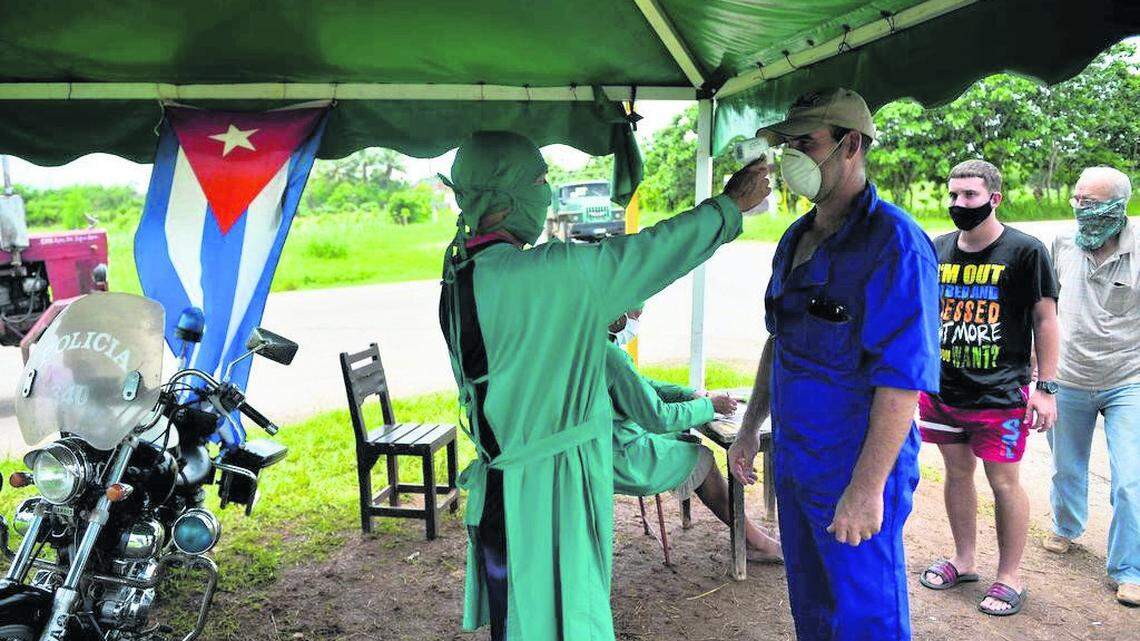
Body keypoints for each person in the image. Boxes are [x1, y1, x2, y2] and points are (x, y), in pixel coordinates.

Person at [438, 131, 769, 641]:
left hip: (503, 485)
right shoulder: (543, 275)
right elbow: (646, 254)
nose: (547, 194)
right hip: (547, 489)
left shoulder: (460, 274)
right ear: (504, 199)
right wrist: (727, 208)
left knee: (519, 617)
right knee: (563, 618)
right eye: (539, 181)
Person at [727, 87, 940, 641]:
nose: (792, 156)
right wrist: (750, 429)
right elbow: (779, 343)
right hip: (798, 461)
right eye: (788, 143)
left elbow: (901, 382)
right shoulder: (797, 237)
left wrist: (868, 489)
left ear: (850, 145)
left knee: (867, 617)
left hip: (856, 464)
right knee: (812, 607)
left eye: (806, 142)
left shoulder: (895, 244)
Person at [915, 160, 1059, 617]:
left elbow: (1045, 319)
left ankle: (1010, 576)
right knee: (957, 474)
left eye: (969, 196)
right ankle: (964, 560)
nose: (958, 204)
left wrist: (1046, 387)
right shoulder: (936, 249)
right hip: (942, 391)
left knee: (1004, 482)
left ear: (994, 199)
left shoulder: (1025, 251)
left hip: (1000, 394)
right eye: (953, 195)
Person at [605, 308, 782, 562]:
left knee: (684, 439)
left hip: (610, 442)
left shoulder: (592, 344)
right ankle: (755, 541)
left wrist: (691, 394)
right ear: (618, 317)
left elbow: (641, 385)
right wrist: (710, 407)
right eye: (636, 316)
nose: (637, 323)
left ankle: (748, 531)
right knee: (703, 459)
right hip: (617, 455)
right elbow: (659, 418)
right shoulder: (611, 357)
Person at [1046, 166, 1140, 607]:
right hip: (1069, 375)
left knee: (1130, 480)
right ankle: (1066, 527)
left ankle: (1129, 568)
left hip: (1129, 379)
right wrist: (1039, 374)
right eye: (1077, 201)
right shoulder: (1062, 243)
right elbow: (1044, 311)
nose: (1082, 211)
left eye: (1093, 203)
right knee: (1067, 466)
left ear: (1119, 208)